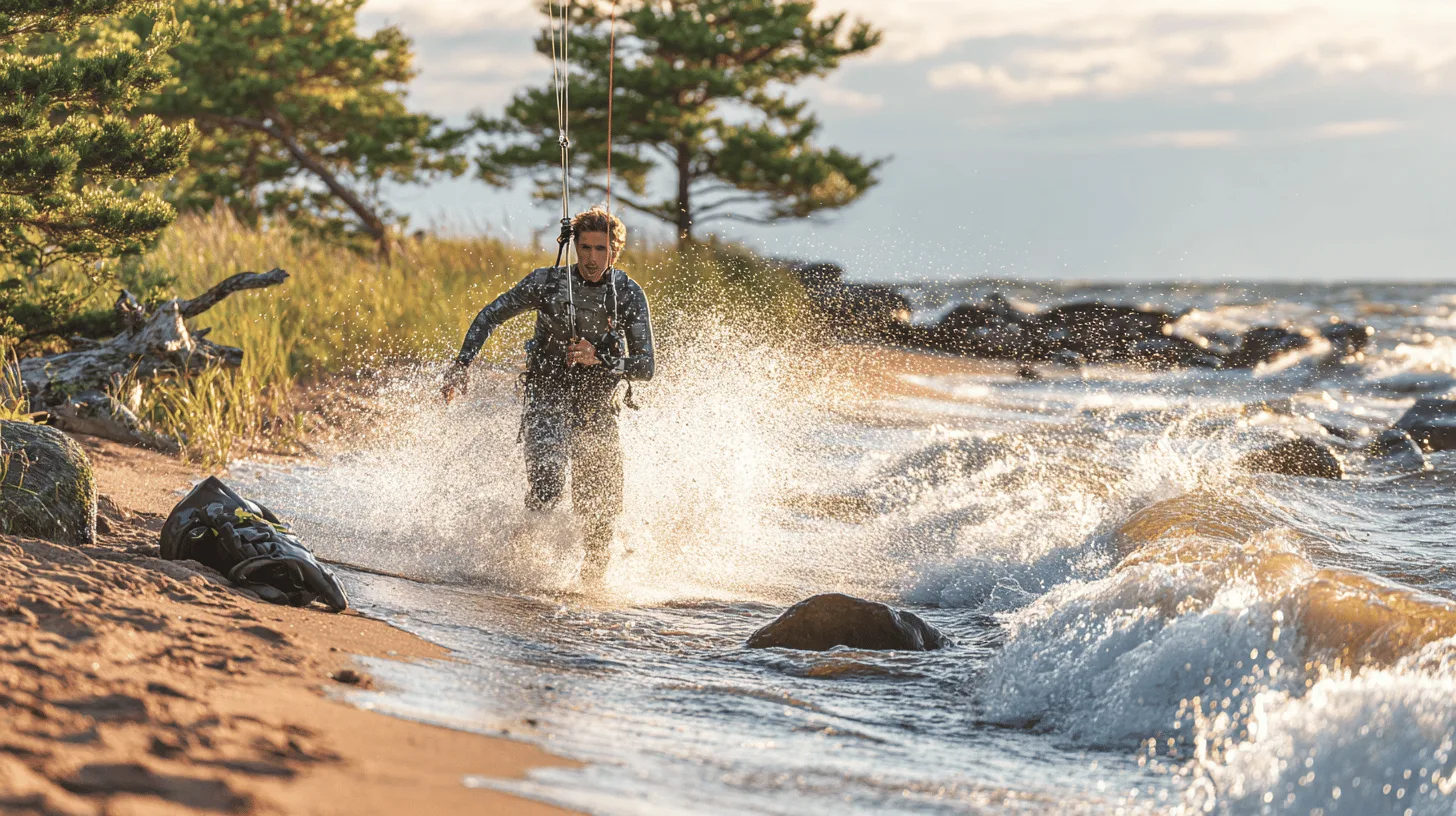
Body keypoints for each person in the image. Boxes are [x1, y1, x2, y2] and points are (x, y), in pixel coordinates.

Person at [441, 207, 654, 584]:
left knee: (599, 504)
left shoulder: (627, 294)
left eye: (600, 249)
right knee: (547, 485)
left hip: (597, 404)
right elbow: (491, 315)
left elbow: (646, 365)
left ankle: (592, 585)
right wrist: (462, 364)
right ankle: (520, 563)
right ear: (574, 245)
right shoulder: (548, 283)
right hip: (547, 393)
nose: (591, 258)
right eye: (584, 247)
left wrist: (599, 357)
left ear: (615, 251)